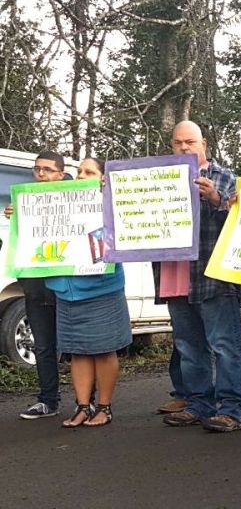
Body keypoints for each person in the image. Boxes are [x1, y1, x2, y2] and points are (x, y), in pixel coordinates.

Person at [157, 120, 241, 432]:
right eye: (178, 142)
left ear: (204, 144)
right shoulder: (160, 179)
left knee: (225, 345)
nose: (184, 147)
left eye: (190, 142)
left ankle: (232, 410)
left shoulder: (225, 177)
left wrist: (216, 199)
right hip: (175, 275)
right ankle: (198, 404)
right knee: (188, 346)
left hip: (214, 277)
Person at [49, 158, 131, 428]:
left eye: (89, 172)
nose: (81, 175)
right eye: (79, 171)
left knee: (103, 349)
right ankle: (83, 406)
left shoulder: (114, 204)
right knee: (78, 351)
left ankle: (104, 408)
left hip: (102, 288)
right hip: (67, 290)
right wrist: (18, 216)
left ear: (102, 179)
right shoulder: (58, 202)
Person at [5, 150, 67, 419]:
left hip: (68, 285)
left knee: (79, 346)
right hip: (35, 284)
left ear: (61, 174)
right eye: (37, 169)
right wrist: (15, 216)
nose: (41, 174)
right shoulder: (25, 199)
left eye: (47, 170)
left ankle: (90, 401)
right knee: (42, 345)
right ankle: (48, 400)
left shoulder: (75, 200)